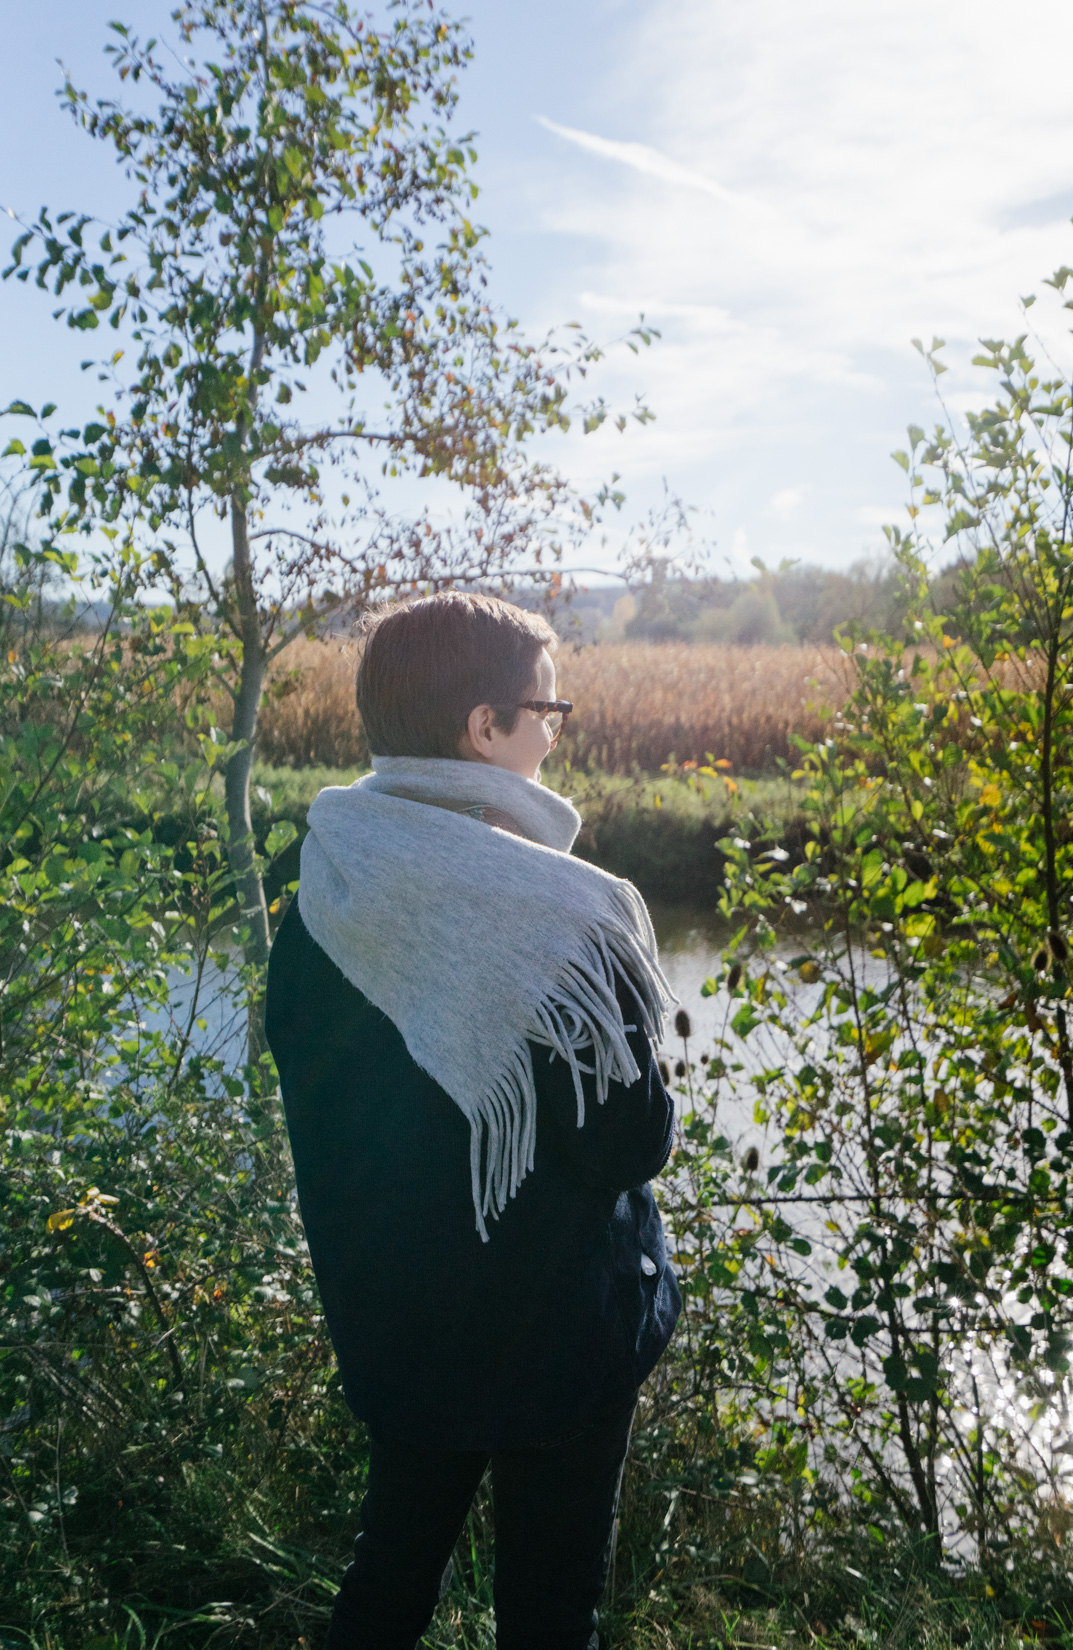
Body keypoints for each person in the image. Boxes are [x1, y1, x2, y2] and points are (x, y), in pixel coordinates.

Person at [265, 591, 681, 1650]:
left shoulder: (321, 884)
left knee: (388, 1577)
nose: (554, 730)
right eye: (548, 708)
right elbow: (632, 1143)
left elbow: (318, 1101)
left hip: (400, 1325)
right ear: (482, 727)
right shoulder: (570, 915)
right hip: (559, 1336)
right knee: (549, 1611)